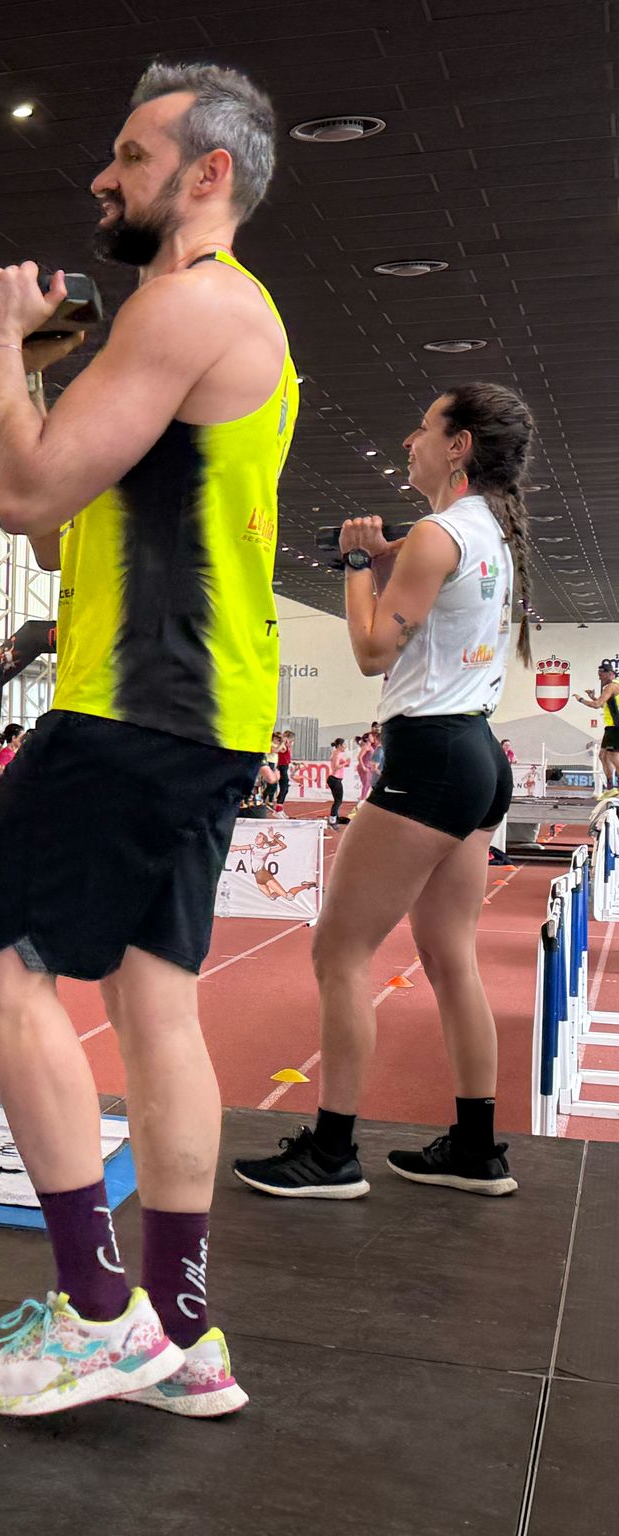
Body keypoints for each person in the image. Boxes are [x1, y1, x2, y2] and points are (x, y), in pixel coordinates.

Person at [0, 61, 291, 1418]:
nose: (105, 176)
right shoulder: (204, 323)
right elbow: (41, 523)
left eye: (133, 156)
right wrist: (28, 371)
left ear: (206, 176)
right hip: (203, 713)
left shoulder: (187, 302)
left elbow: (22, 484)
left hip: (137, 709)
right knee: (156, 1002)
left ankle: (101, 1316)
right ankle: (186, 1332)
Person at [236, 382, 534, 1203]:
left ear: (459, 445)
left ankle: (331, 1153)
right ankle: (477, 1149)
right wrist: (385, 554)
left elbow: (371, 652)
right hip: (477, 754)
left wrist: (358, 565)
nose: (410, 438)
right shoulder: (489, 535)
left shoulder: (441, 536)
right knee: (449, 958)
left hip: (430, 756)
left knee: (339, 950)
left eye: (425, 427)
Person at [579, 660, 618, 794]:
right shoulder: (609, 688)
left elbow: (597, 705)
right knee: (603, 756)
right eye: (599, 674)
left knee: (613, 757)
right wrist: (593, 697)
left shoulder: (611, 687)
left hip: (616, 727)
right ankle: (611, 787)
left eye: (601, 674)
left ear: (611, 674)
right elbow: (602, 704)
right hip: (611, 727)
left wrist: (581, 700)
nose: (599, 677)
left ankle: (614, 787)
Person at [327, 737, 352, 826]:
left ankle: (335, 817)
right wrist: (345, 763)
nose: (345, 746)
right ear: (339, 746)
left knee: (337, 800)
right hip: (335, 779)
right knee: (338, 801)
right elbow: (335, 767)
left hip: (335, 779)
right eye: (344, 744)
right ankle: (333, 818)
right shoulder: (337, 754)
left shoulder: (337, 753)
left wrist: (345, 764)